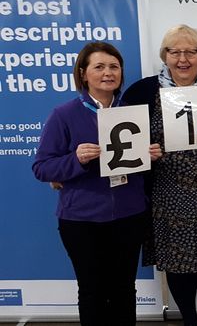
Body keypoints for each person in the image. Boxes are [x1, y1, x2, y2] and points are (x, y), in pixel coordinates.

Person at [32, 42, 161, 326]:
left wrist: (149, 156)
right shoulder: (64, 114)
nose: (108, 73)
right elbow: (41, 168)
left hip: (129, 216)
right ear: (83, 73)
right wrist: (75, 159)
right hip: (82, 221)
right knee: (92, 291)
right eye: (99, 67)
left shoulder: (132, 112)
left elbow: (134, 164)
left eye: (114, 67)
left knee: (125, 290)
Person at [122, 25, 197, 326]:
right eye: (174, 52)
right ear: (164, 55)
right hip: (167, 192)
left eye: (191, 51)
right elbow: (125, 145)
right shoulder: (141, 92)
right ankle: (188, 320)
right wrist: (144, 153)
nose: (183, 59)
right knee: (177, 261)